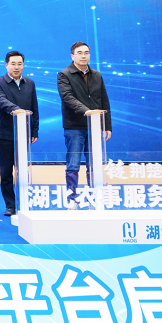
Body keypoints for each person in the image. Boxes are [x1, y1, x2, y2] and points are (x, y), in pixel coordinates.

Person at [57, 41, 112, 209]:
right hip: (74, 126)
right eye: (79, 53)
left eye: (86, 52)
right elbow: (67, 97)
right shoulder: (64, 74)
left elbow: (104, 100)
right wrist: (86, 111)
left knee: (93, 165)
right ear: (72, 56)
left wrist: (107, 125)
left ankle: (93, 198)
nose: (83, 56)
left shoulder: (97, 75)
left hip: (94, 127)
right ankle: (72, 199)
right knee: (73, 165)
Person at [0, 50, 39, 216]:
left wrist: (34, 130)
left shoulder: (30, 83)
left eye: (20, 64)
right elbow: (0, 101)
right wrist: (18, 110)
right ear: (6, 65)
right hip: (5, 134)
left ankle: (24, 201)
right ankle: (10, 205)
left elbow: (34, 107)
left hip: (24, 133)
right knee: (6, 172)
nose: (16, 67)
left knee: (23, 170)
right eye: (13, 64)